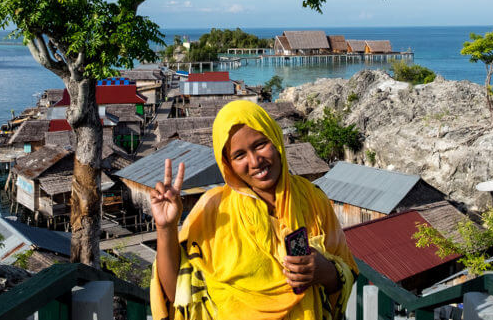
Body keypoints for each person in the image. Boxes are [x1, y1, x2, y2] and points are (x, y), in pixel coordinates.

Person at [149, 100, 357, 320]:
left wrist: (325, 271)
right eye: (239, 155)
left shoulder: (313, 200)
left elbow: (345, 275)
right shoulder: (213, 210)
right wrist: (166, 227)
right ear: (227, 163)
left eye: (260, 145)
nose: (255, 161)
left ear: (276, 140)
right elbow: (177, 293)